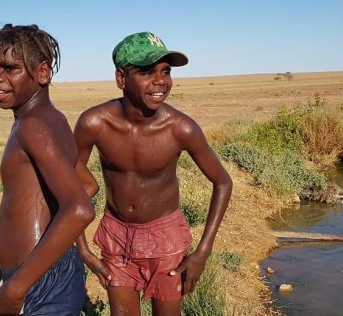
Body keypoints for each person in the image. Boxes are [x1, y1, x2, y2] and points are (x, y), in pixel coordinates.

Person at [75, 31, 233, 316]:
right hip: (116, 236)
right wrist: (83, 249)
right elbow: (69, 183)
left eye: (166, 71)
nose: (160, 81)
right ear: (121, 78)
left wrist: (203, 251)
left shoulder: (180, 128)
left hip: (166, 238)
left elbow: (222, 181)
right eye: (147, 72)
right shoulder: (94, 123)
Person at [0, 24, 95, 315]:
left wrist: (16, 288)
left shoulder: (33, 127)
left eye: (9, 68)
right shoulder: (51, 118)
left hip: (37, 281)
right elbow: (87, 183)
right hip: (48, 270)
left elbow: (81, 207)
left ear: (42, 73)